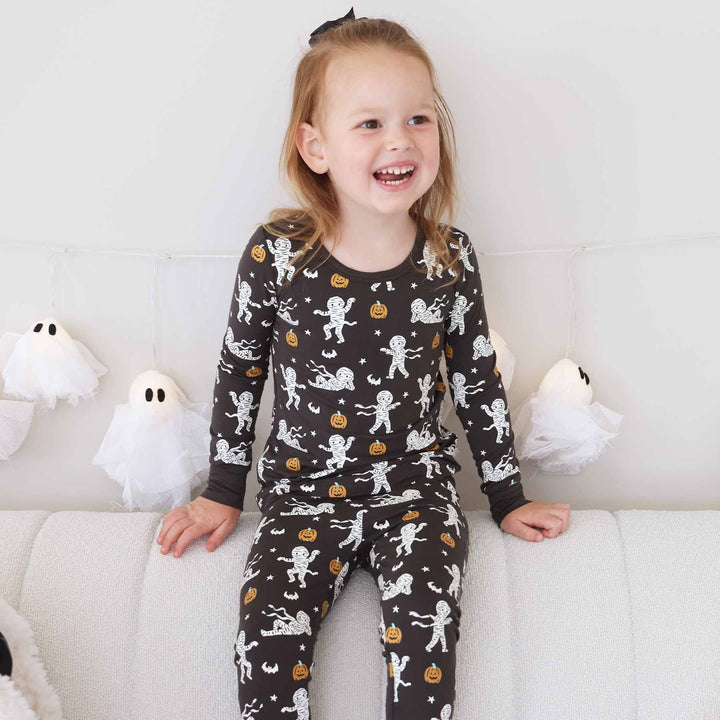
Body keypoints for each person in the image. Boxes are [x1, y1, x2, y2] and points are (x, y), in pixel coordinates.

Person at [156, 9, 570, 718]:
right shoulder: (278, 253)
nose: (399, 139)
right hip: (301, 496)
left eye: (418, 119)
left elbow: (475, 379)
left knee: (426, 648)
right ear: (315, 146)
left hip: (415, 495)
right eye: (370, 123)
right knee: (264, 650)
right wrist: (223, 489)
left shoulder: (448, 257)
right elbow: (240, 368)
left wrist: (507, 498)